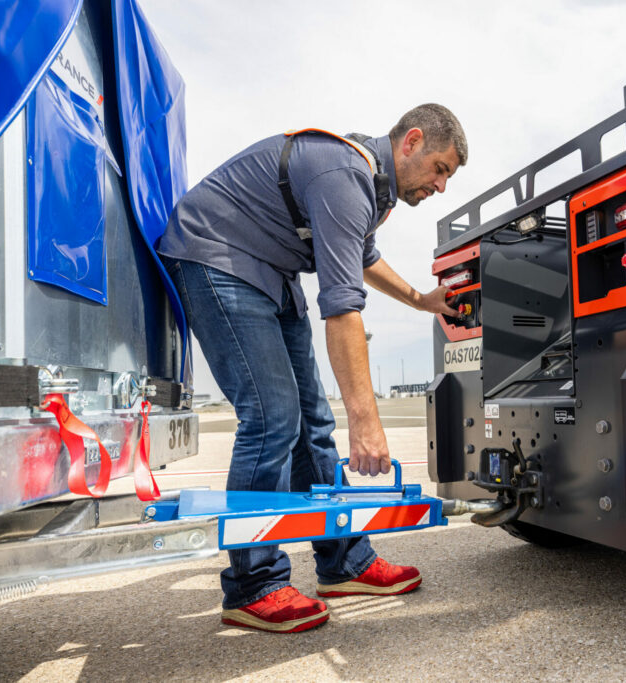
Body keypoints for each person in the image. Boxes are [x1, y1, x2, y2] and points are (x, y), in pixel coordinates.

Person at [157, 104, 466, 633]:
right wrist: (367, 422)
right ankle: (254, 587)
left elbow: (363, 259)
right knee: (273, 417)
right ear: (411, 141)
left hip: (270, 275)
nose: (440, 185)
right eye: (440, 169)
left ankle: (345, 562)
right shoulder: (344, 175)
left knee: (313, 425)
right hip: (219, 258)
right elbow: (343, 306)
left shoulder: (369, 187)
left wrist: (421, 300)